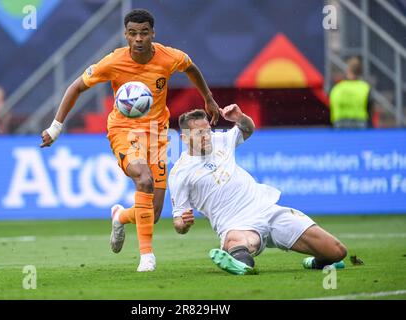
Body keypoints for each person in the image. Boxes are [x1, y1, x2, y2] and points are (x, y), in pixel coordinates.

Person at [40, 9, 220, 272]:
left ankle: (120, 216)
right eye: (133, 34)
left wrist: (208, 97)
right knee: (143, 179)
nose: (138, 39)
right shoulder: (113, 62)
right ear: (125, 35)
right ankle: (147, 256)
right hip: (124, 131)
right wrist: (56, 128)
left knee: (154, 213)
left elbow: (190, 67)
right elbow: (76, 87)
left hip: (157, 135)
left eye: (144, 33)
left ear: (152, 33)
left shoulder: (169, 57)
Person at [169, 105, 347, 275]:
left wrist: (240, 117)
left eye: (207, 130)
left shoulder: (220, 140)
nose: (206, 136)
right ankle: (240, 262)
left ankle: (316, 262)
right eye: (200, 133)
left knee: (337, 251)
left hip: (268, 209)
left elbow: (247, 129)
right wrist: (184, 224)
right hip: (235, 224)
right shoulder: (180, 173)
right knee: (238, 243)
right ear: (184, 137)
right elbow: (178, 222)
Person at [329, 56, 374, 129]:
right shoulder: (365, 88)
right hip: (360, 123)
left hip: (339, 123)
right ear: (360, 71)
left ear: (348, 70)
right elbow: (370, 109)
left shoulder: (337, 88)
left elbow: (331, 106)